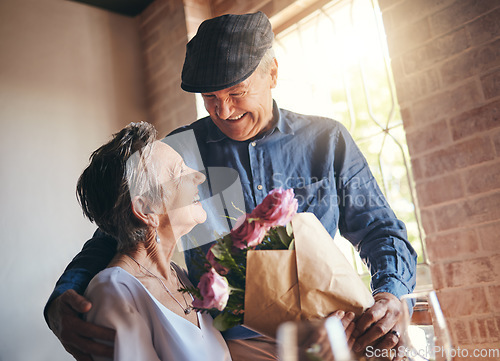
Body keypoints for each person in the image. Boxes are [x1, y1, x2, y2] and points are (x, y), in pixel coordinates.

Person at [45, 11, 417, 361]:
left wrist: (390, 295)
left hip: (334, 339)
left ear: (272, 72)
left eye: (236, 92)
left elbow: (381, 230)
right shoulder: (179, 153)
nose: (223, 111)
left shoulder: (328, 140)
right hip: (232, 348)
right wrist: (64, 297)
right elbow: (118, 229)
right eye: (210, 98)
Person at [69, 121, 232, 360]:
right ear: (146, 209)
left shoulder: (180, 276)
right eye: (180, 172)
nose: (198, 177)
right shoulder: (114, 293)